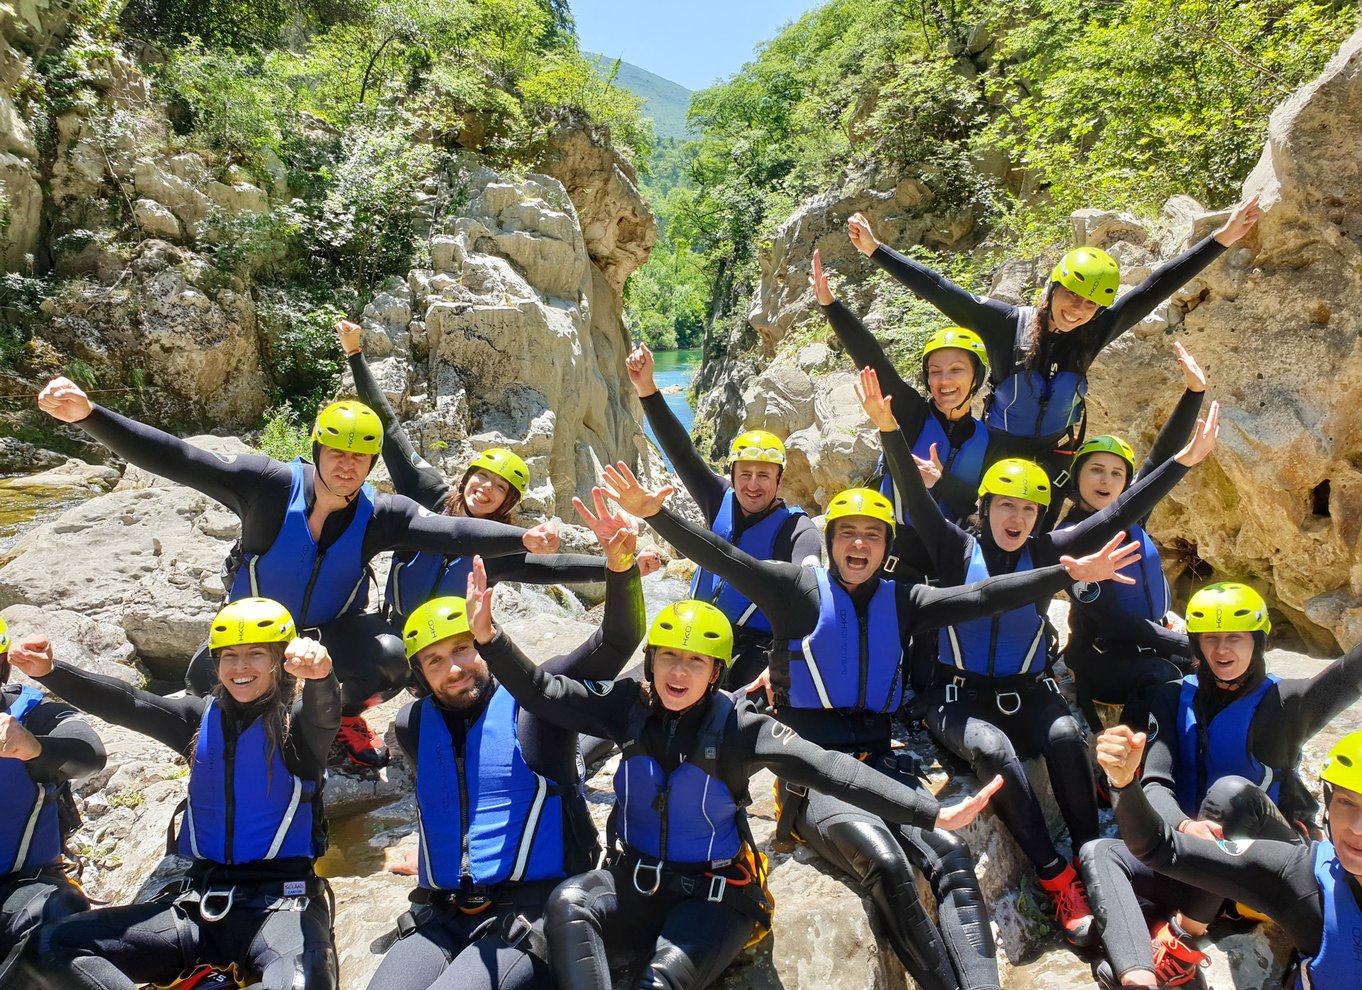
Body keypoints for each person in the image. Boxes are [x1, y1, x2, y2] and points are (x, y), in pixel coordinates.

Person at [599, 460, 1139, 990]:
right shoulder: (795, 591)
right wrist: (657, 516)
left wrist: (1065, 575)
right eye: (849, 534)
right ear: (830, 540)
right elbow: (727, 557)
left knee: (950, 858)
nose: (859, 546)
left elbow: (979, 595)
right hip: (813, 779)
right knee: (886, 863)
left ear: (886, 548)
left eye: (873, 536)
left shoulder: (902, 600)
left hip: (880, 764)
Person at [468, 561, 1004, 990]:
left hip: (715, 896)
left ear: (718, 671)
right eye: (669, 657)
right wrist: (491, 640)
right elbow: (544, 693)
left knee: (657, 980)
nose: (679, 672)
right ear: (650, 661)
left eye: (696, 662)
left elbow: (829, 768)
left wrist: (932, 811)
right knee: (569, 903)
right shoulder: (626, 705)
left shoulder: (742, 728)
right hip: (634, 879)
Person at [863, 364, 1220, 943]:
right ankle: (1057, 880)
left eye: (1028, 510)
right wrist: (888, 431)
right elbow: (917, 499)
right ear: (986, 506)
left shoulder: (1051, 548)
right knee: (997, 751)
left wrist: (1182, 462)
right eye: (1005, 506)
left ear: (1038, 518)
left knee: (1063, 738)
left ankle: (1092, 854)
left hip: (1028, 689)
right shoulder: (954, 546)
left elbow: (1119, 513)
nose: (1016, 518)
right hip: (957, 699)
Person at [36, 376, 557, 769]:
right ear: (317, 450)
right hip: (254, 633)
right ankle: (265, 722)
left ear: (372, 463)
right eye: (337, 453)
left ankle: (338, 717)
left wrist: (521, 538)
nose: (347, 466)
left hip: (333, 631)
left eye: (360, 457)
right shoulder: (264, 485)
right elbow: (178, 457)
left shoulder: (381, 514)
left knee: (391, 659)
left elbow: (449, 532)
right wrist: (90, 415)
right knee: (207, 691)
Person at [364, 491, 646, 990]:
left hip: (528, 913)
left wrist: (620, 570)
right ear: (419, 676)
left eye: (464, 648)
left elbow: (617, 643)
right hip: (441, 915)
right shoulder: (411, 726)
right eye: (435, 661)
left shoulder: (538, 704)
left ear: (485, 642)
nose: (454, 668)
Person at [845, 198, 1259, 517]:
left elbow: (1156, 286)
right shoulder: (1007, 324)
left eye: (1091, 305)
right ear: (1052, 289)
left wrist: (1221, 237)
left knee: (1039, 534)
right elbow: (940, 289)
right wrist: (877, 251)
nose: (1078, 309)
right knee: (982, 527)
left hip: (1054, 456)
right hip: (996, 452)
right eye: (1072, 295)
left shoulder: (1093, 333)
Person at [32, 598, 340, 989]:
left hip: (281, 904)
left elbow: (325, 714)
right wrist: (50, 671)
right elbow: (127, 703)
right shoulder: (198, 719)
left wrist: (322, 676)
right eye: (229, 656)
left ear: (280, 661)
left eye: (256, 654)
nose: (240, 667)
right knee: (52, 945)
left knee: (304, 983)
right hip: (197, 904)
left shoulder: (298, 728)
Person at [1080, 581, 1362, 987]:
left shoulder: (1286, 704)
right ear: (1195, 643)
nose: (1221, 650)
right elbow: (1158, 782)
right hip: (1194, 857)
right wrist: (1183, 826)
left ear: (1258, 642)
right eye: (1210, 638)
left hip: (1267, 870)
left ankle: (1181, 936)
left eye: (1235, 637)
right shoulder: (1172, 696)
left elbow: (1347, 676)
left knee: (1229, 793)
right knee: (1099, 851)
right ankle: (1138, 971)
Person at [337, 319, 660, 628]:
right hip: (397, 626)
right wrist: (355, 354)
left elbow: (553, 568)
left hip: (449, 646)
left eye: (501, 488)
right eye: (483, 477)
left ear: (506, 505)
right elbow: (389, 428)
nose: (486, 488)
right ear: (465, 479)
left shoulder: (500, 548)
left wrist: (625, 567)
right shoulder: (426, 493)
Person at [1095, 725, 1362, 989]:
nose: (1356, 828)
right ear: (1327, 805)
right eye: (1346, 803)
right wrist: (1124, 783)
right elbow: (1161, 848)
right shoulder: (1303, 878)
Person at [625, 343, 821, 688]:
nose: (753, 485)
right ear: (732, 476)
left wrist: (787, 656)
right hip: (694, 629)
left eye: (764, 476)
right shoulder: (720, 498)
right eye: (745, 475)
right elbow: (683, 455)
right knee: (636, 688)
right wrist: (647, 390)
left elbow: (811, 592)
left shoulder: (797, 528)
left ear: (780, 480)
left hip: (751, 648)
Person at [812, 249, 994, 580]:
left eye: (956, 370)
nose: (944, 381)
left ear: (976, 378)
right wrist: (830, 305)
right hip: (894, 558)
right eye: (935, 372)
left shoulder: (988, 438)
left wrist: (942, 482)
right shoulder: (912, 414)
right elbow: (872, 356)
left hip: (951, 558)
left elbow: (984, 506)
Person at [1056, 342, 1208, 728]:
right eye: (1096, 470)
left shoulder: (1132, 516)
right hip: (1103, 656)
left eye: (1117, 473)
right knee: (1166, 676)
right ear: (1078, 478)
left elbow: (1160, 458)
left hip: (1148, 641)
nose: (1107, 480)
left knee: (1222, 669)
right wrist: (1189, 644)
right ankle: (1129, 774)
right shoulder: (1071, 538)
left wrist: (1194, 393)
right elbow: (1117, 623)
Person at [0, 619, 105, 990]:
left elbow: (90, 755)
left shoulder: (31, 714)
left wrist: (34, 749)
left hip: (21, 890)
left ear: (3, 666)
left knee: (59, 915)